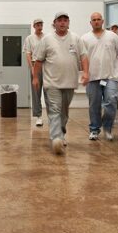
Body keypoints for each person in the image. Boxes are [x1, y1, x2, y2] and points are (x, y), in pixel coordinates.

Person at [33, 12, 89, 154]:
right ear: (55, 23)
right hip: (51, 83)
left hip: (69, 83)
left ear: (68, 22)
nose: (62, 23)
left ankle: (61, 133)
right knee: (55, 110)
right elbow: (38, 61)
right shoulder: (47, 39)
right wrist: (35, 78)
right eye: (60, 20)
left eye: (65, 20)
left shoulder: (76, 38)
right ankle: (56, 138)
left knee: (64, 112)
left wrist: (86, 73)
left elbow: (83, 57)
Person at [81, 13, 118, 141]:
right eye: (93, 20)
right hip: (92, 77)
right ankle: (94, 129)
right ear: (90, 22)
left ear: (103, 21)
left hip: (111, 76)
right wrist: (83, 73)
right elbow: (82, 57)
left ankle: (108, 128)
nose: (96, 22)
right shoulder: (85, 38)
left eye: (98, 19)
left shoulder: (112, 36)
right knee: (94, 105)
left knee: (111, 101)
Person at [23, 18, 45, 127]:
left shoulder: (47, 38)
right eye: (37, 24)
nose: (39, 26)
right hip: (35, 65)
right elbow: (28, 54)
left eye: (41, 24)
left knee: (50, 90)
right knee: (36, 92)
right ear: (34, 26)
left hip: (46, 66)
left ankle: (52, 115)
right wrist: (32, 68)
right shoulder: (29, 39)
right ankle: (38, 116)